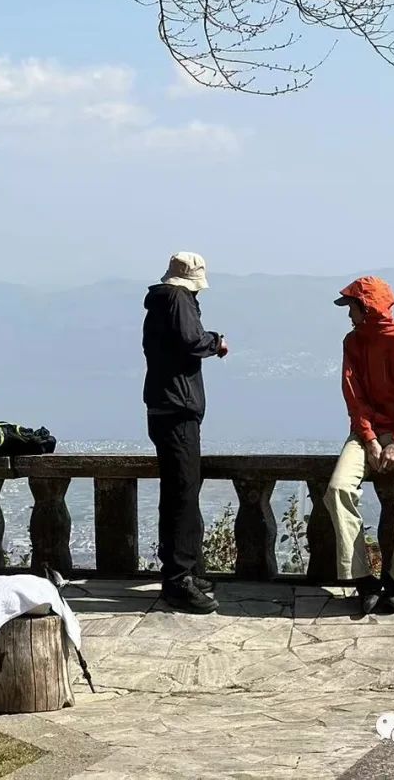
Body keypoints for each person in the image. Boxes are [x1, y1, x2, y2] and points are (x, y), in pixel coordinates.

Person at [324, 276, 394, 618]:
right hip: (365, 433)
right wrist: (370, 439)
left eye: (352, 307)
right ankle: (363, 578)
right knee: (337, 489)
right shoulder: (352, 342)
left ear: (367, 308)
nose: (349, 315)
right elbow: (354, 397)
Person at [142, 251, 228, 614]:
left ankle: (187, 568)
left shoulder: (164, 300)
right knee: (182, 493)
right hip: (176, 408)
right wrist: (216, 341)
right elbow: (192, 340)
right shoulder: (177, 300)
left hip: (168, 406)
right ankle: (179, 580)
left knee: (182, 490)